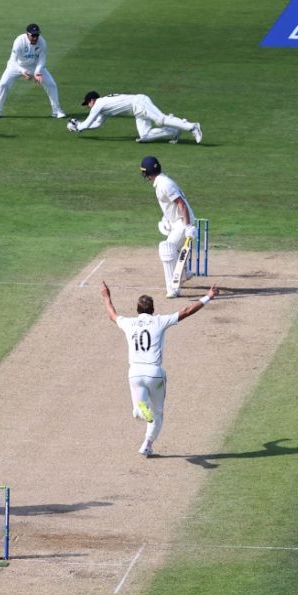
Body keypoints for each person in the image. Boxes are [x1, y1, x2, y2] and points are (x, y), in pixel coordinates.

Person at [101, 280, 218, 457]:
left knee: (139, 410)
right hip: (154, 373)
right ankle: (147, 443)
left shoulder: (129, 323)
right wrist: (208, 296)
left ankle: (140, 411)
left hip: (134, 373)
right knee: (158, 413)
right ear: (153, 309)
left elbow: (112, 315)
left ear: (137, 310)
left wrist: (106, 296)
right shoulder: (159, 321)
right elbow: (186, 311)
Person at [140, 155, 198, 298]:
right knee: (174, 249)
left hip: (183, 222)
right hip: (177, 221)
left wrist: (188, 226)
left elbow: (181, 204)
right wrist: (167, 220)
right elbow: (172, 205)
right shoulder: (161, 182)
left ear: (146, 173)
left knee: (166, 248)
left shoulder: (165, 184)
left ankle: (173, 289)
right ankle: (184, 274)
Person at [0, 23, 66, 120]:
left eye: (37, 35)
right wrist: (22, 71)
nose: (35, 38)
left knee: (51, 84)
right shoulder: (19, 41)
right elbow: (13, 60)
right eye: (33, 35)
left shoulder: (42, 42)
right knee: (3, 84)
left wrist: (37, 72)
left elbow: (42, 60)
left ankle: (57, 111)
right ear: (27, 34)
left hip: (34, 66)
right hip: (16, 66)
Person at [68, 90, 201, 144]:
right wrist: (79, 125)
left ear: (92, 100)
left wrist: (77, 126)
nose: (88, 106)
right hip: (137, 110)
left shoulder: (99, 104)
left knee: (161, 120)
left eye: (87, 104)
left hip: (139, 103)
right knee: (144, 136)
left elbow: (86, 124)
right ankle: (174, 130)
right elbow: (97, 124)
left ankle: (192, 127)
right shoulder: (103, 108)